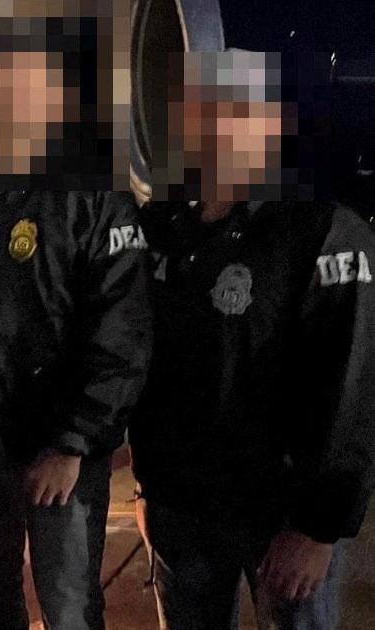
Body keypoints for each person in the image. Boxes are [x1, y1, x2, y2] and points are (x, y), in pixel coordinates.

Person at [130, 50, 375, 630]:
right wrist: (148, 490)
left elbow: (352, 391)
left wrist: (317, 530)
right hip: (182, 511)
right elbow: (152, 367)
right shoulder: (163, 226)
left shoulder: (324, 231)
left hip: (282, 520)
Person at [0, 191, 152, 630]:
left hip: (58, 454)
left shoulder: (96, 198)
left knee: (68, 604)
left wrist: (72, 444)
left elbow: (121, 332)